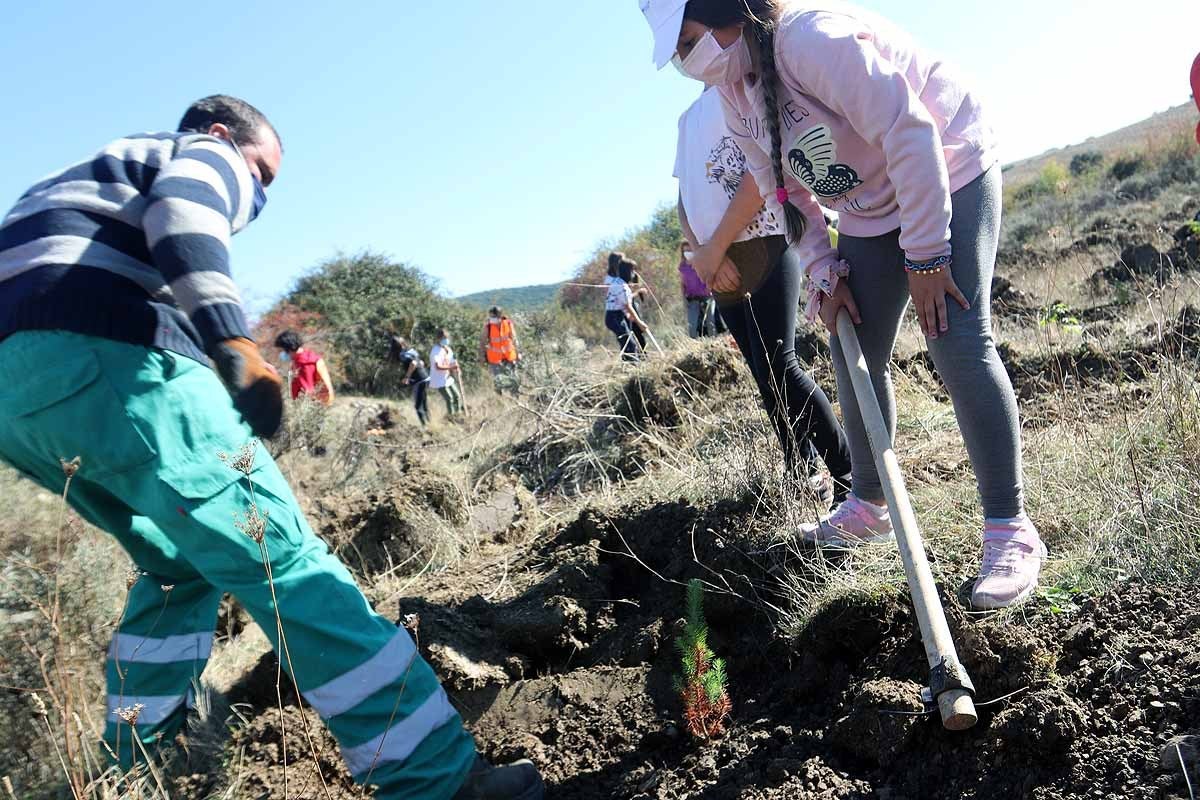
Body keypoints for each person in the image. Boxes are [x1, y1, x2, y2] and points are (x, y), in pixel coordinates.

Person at [0, 95, 542, 799]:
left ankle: (140, 769)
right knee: (280, 561)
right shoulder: (198, 151)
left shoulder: (79, 178)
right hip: (111, 360)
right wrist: (230, 339)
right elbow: (184, 211)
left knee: (174, 569)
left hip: (19, 395)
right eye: (264, 175)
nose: (258, 195)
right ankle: (433, 778)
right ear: (225, 135)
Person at [643, 0, 1045, 609]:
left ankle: (1010, 531)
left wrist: (929, 256)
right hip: (869, 206)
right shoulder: (737, 89)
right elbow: (783, 190)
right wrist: (824, 266)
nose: (685, 61)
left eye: (687, 42)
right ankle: (869, 503)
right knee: (850, 334)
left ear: (727, 10)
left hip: (947, 164)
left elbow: (910, 129)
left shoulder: (810, 41)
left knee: (954, 334)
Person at [656, 31, 852, 506]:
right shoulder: (687, 120)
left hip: (763, 242)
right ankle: (801, 471)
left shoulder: (740, 95)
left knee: (781, 366)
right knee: (763, 377)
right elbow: (684, 199)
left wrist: (715, 247)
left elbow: (757, 175)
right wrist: (702, 252)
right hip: (716, 265)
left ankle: (852, 475)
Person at [274, 330, 335, 405]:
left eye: (282, 350)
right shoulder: (301, 359)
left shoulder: (306, 363)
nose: (281, 354)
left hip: (314, 406)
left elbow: (307, 391)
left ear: (289, 348)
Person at [605, 258, 648, 362]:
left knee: (628, 342)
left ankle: (630, 364)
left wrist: (629, 316)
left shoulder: (619, 283)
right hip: (614, 318)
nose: (634, 273)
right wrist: (640, 323)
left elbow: (621, 304)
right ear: (627, 271)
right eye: (632, 270)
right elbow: (628, 306)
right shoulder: (622, 286)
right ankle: (632, 367)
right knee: (629, 344)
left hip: (618, 315)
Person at [390, 335, 431, 426]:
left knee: (418, 406)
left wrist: (407, 377)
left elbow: (413, 363)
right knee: (424, 403)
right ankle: (430, 423)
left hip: (418, 380)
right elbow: (421, 362)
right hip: (425, 377)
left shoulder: (403, 355)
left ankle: (425, 426)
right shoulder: (412, 351)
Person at [679, 241, 717, 338]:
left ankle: (713, 343)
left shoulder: (702, 262)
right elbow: (682, 283)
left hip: (707, 296)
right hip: (692, 298)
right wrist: (684, 299)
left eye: (689, 250)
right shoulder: (682, 266)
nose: (687, 252)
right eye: (685, 251)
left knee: (710, 322)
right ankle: (694, 344)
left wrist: (710, 288)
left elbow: (710, 274)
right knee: (692, 325)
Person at [480, 306, 521, 397]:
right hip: (495, 359)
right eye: (490, 316)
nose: (491, 319)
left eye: (493, 317)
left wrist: (519, 353)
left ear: (500, 316)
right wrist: (482, 357)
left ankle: (515, 399)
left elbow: (514, 339)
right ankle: (499, 400)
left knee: (514, 379)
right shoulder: (488, 327)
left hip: (509, 356)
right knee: (498, 381)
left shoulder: (508, 323)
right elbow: (482, 342)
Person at [430, 328, 465, 418]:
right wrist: (451, 367)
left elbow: (453, 361)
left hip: (447, 377)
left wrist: (457, 369)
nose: (445, 340)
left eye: (446, 338)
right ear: (438, 339)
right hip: (438, 380)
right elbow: (438, 366)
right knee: (450, 398)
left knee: (457, 396)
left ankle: (458, 414)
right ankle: (451, 417)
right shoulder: (435, 351)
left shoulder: (448, 349)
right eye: (443, 338)